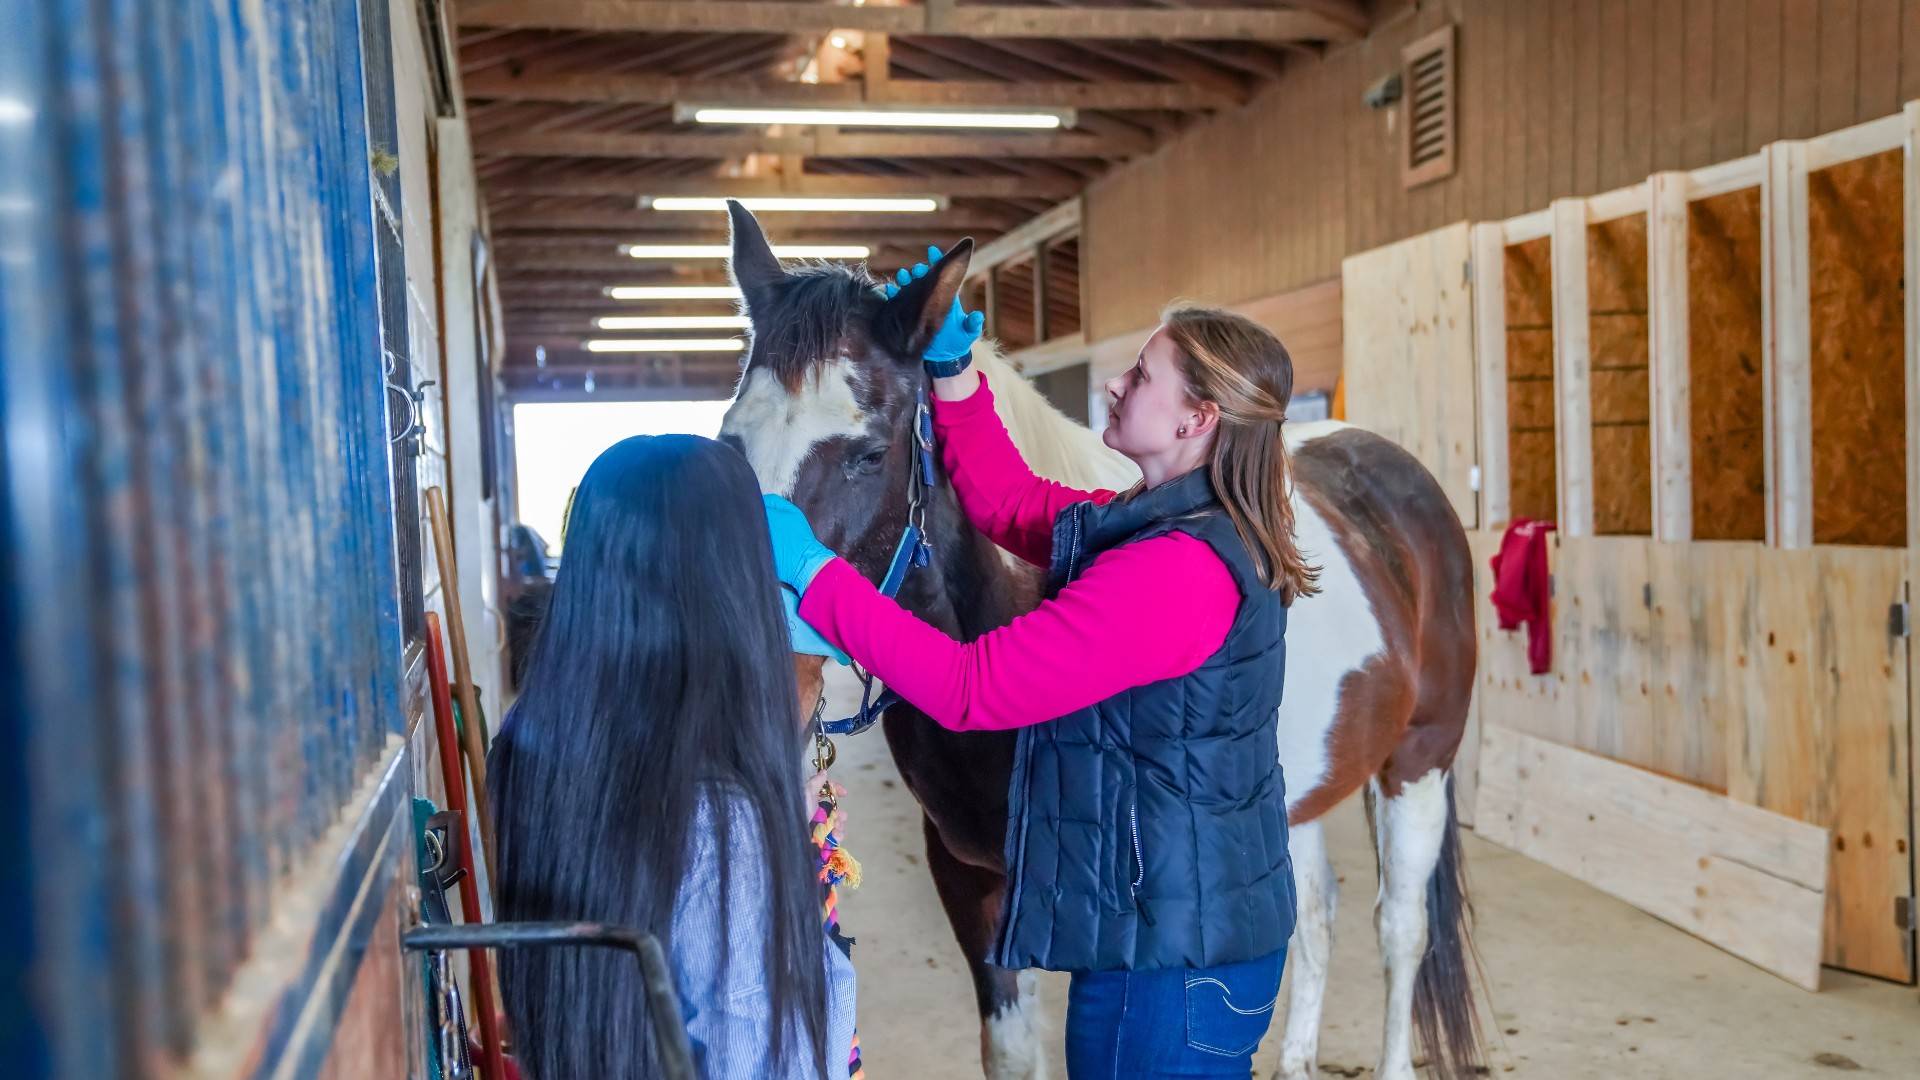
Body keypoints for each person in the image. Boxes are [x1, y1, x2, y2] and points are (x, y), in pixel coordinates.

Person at [767, 254, 1315, 1079]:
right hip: (1172, 935)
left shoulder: (1175, 572)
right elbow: (1010, 504)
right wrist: (952, 375)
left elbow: (969, 687)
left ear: (1195, 418)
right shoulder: (1153, 522)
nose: (1117, 386)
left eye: (1142, 375)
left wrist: (818, 578)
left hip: (1170, 969)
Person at [489, 434, 855, 1079]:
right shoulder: (727, 825)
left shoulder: (525, 736)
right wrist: (783, 867)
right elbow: (776, 1062)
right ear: (734, 584)